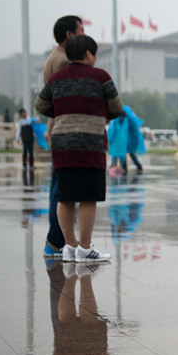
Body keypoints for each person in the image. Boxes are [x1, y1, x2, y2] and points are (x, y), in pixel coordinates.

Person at [35, 34, 123, 263]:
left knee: (65, 197)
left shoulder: (56, 79)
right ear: (88, 54)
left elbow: (41, 104)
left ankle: (70, 247)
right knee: (88, 197)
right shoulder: (101, 77)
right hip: (90, 144)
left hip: (62, 143)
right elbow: (117, 106)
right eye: (94, 53)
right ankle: (85, 248)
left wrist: (64, 110)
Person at [41, 15, 84, 259]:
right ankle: (56, 242)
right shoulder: (62, 61)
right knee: (61, 191)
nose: (84, 33)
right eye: (81, 29)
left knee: (60, 189)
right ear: (69, 34)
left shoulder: (56, 57)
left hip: (57, 128)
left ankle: (59, 241)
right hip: (64, 130)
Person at [107, 105, 146, 174]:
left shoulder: (115, 122)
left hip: (116, 143)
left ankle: (114, 170)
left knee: (115, 156)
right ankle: (125, 169)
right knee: (123, 156)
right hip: (124, 142)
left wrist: (109, 140)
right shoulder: (127, 121)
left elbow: (111, 132)